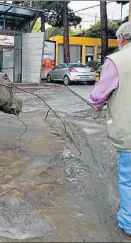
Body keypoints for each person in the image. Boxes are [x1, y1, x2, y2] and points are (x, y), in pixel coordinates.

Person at [90, 21, 131, 239]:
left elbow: (100, 93)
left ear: (122, 39)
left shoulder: (117, 60)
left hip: (130, 132)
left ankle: (129, 224)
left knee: (128, 179)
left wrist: (96, 108)